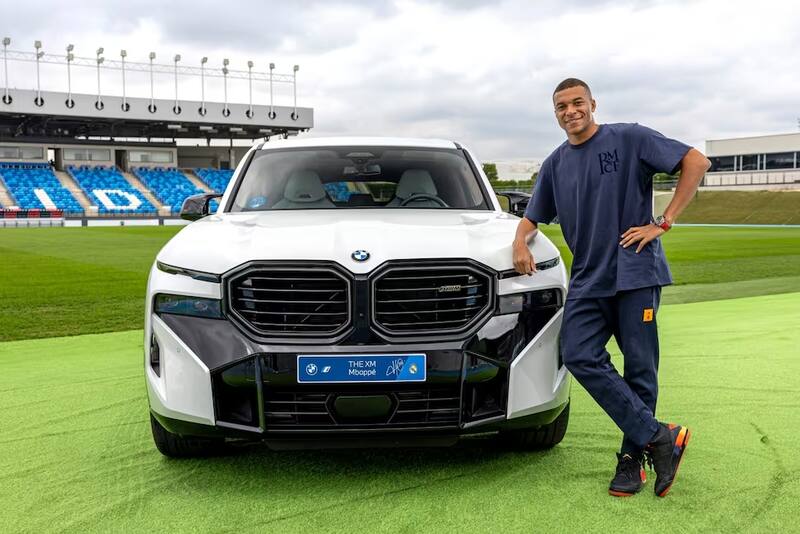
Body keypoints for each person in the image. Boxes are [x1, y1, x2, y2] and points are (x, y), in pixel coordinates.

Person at [512, 78, 710, 497]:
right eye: (561, 106)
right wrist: (518, 241)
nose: (570, 111)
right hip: (587, 279)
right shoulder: (555, 163)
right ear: (556, 114)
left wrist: (663, 222)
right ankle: (659, 438)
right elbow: (532, 217)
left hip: (634, 274)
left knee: (640, 368)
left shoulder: (629, 138)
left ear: (592, 104)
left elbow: (696, 161)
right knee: (579, 354)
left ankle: (630, 459)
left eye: (577, 102)